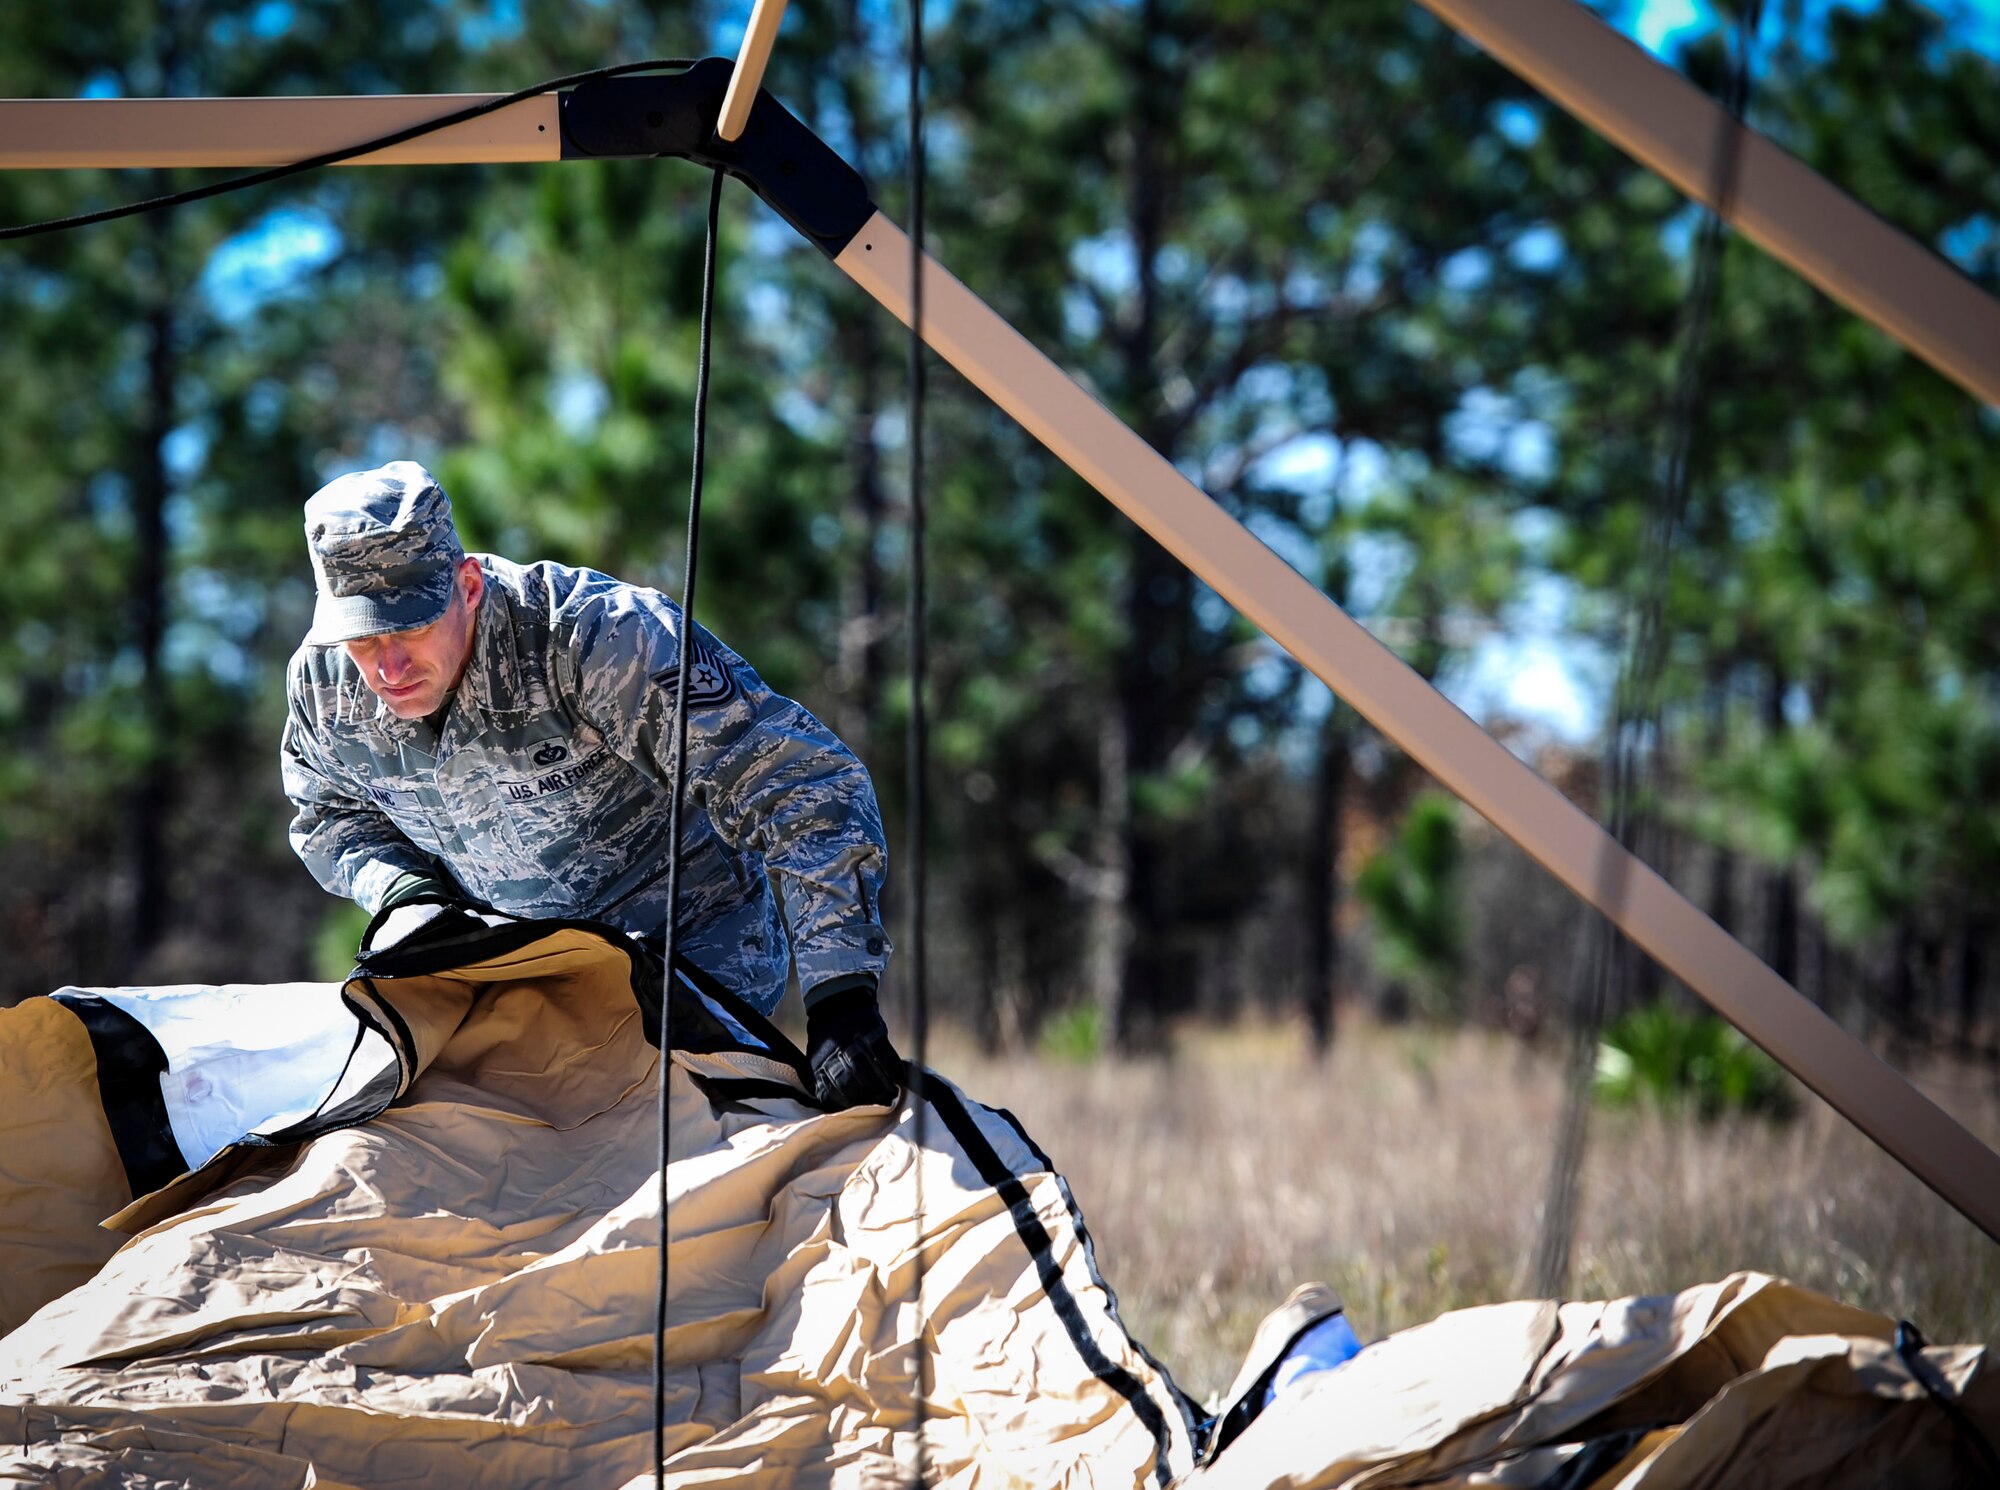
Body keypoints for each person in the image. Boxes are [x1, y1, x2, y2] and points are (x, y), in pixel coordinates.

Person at [280, 461, 902, 1109]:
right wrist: (410, 899)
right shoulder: (324, 685)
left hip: (689, 957)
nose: (387, 667)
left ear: (467, 587)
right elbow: (329, 817)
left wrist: (840, 996)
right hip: (521, 977)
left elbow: (802, 785)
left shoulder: (599, 640)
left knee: (682, 1162)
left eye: (409, 627)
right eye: (361, 638)